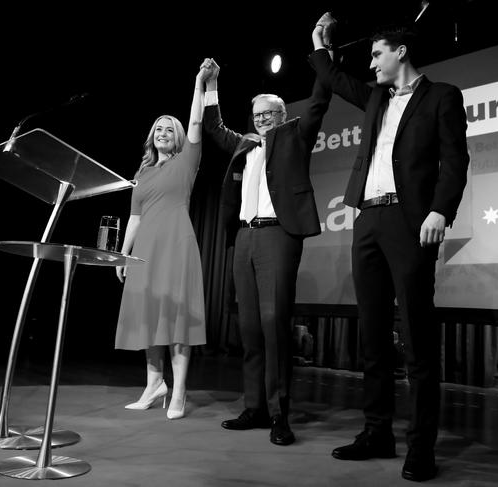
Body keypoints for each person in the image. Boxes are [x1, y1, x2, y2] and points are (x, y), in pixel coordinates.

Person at [310, 13, 469, 482]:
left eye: (377, 53)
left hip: (409, 219)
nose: (372, 62)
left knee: (417, 339)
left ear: (400, 51)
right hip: (368, 219)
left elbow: (455, 160)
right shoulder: (376, 96)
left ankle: (422, 448)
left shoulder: (441, 96)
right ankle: (377, 432)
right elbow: (334, 78)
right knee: (372, 336)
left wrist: (440, 210)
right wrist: (319, 45)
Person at [201, 58, 331, 445]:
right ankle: (255, 407)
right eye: (256, 114)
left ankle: (279, 414)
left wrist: (321, 53)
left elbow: (320, 103)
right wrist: (211, 85)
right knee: (250, 328)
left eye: (268, 114)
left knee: (275, 325)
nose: (261, 120)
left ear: (281, 114)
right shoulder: (244, 144)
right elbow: (213, 127)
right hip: (245, 238)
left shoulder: (294, 135)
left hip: (278, 236)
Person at [114, 60, 213, 420]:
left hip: (176, 246)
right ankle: (154, 385)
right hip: (145, 250)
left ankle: (179, 392)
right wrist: (123, 255)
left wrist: (199, 84)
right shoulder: (142, 172)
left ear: (179, 136)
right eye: (158, 128)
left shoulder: (187, 160)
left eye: (169, 129)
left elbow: (199, 121)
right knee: (149, 316)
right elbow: (135, 217)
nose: (163, 132)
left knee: (175, 319)